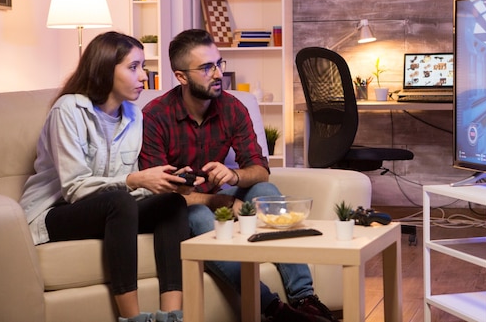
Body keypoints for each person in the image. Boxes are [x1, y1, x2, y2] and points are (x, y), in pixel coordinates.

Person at [139, 29, 337, 322]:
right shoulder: (154, 116)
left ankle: (305, 298)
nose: (218, 73)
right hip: (183, 206)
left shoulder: (233, 107)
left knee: (267, 195)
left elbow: (260, 171)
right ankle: (273, 309)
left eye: (219, 63)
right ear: (181, 77)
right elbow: (163, 193)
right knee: (202, 219)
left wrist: (233, 175)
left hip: (223, 194)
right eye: (207, 68)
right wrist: (219, 200)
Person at [19, 32, 192, 322]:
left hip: (107, 209)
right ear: (105, 68)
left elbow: (125, 185)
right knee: (120, 200)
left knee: (171, 203)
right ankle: (133, 318)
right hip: (54, 213)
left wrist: (164, 181)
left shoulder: (134, 116)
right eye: (133, 67)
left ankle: (172, 315)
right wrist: (136, 180)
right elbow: (74, 189)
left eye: (143, 67)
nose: (144, 77)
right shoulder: (69, 110)